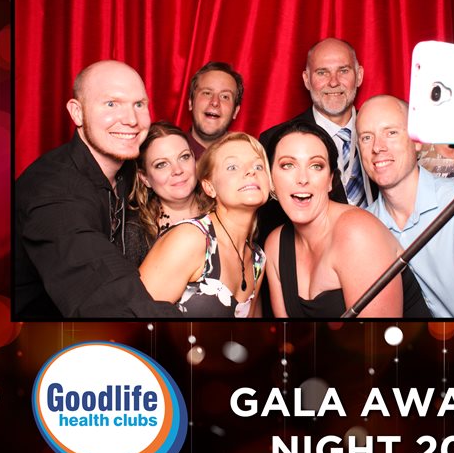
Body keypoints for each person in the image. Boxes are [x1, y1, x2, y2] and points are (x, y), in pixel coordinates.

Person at [15, 60, 180, 317]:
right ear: (77, 113)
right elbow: (106, 294)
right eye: (111, 104)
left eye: (139, 104)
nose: (132, 120)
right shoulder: (53, 190)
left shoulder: (127, 172)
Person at [355, 95, 454, 317]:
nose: (377, 147)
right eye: (366, 137)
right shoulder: (364, 230)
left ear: (417, 142)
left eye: (391, 133)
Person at [263, 121, 431, 318]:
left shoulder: (357, 233)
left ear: (329, 181)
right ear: (271, 179)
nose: (302, 179)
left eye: (316, 166)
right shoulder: (275, 245)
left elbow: (376, 336)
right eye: (288, 165)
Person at [139, 133, 269, 317]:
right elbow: (132, 316)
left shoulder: (258, 260)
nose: (251, 172)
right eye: (232, 167)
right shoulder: (190, 238)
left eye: (258, 166)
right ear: (210, 187)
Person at [259, 37, 373, 208]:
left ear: (359, 76)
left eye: (343, 71)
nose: (333, 82)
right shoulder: (274, 141)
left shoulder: (384, 132)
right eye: (322, 73)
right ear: (307, 80)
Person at [125, 121, 209, 266]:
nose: (177, 170)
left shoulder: (222, 211)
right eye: (161, 164)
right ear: (145, 178)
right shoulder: (134, 231)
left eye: (184, 157)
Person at [186, 61, 244, 158]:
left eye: (225, 97)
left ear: (235, 111)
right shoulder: (166, 153)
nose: (215, 102)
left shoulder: (247, 159)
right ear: (191, 102)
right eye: (207, 93)